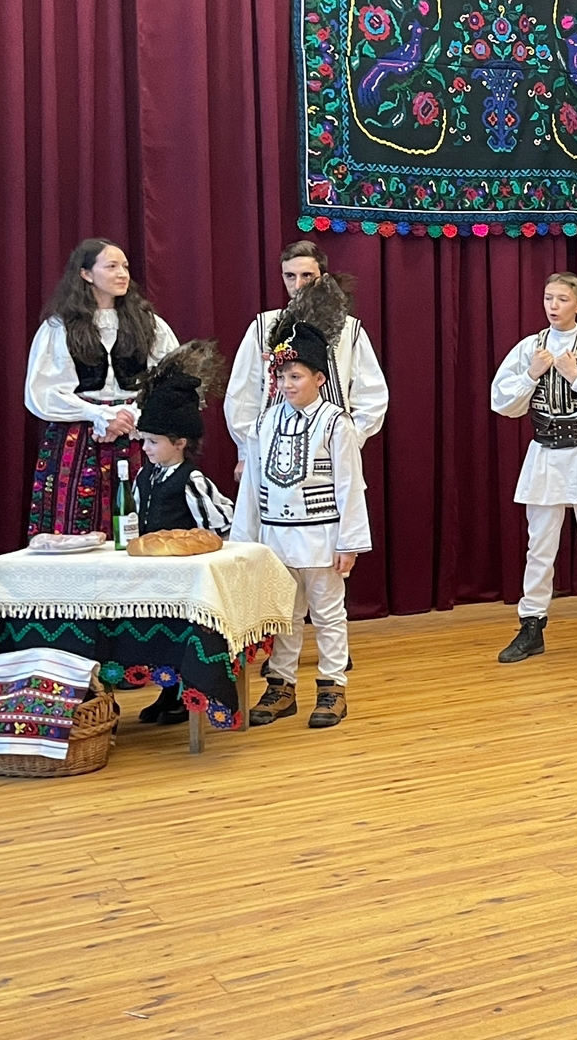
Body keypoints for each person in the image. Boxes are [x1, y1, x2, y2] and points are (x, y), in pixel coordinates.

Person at [235, 277, 371, 730]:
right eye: (281, 377)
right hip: (275, 539)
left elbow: (351, 485)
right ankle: (281, 686)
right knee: (285, 616)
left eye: (296, 376)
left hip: (322, 537)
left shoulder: (336, 424)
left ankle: (332, 688)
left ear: (319, 378)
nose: (287, 384)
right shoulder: (264, 423)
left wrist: (349, 542)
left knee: (328, 614)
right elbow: (251, 486)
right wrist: (244, 542)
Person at [491, 273, 577, 664]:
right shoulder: (530, 348)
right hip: (546, 453)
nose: (553, 306)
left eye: (562, 299)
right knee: (539, 548)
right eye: (548, 298)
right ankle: (531, 626)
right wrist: (532, 373)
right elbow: (502, 402)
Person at [24, 238, 178, 538]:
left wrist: (132, 414)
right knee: (76, 517)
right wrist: (98, 415)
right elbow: (42, 392)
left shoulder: (149, 324)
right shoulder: (60, 327)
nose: (122, 274)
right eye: (111, 266)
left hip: (137, 432)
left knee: (141, 515)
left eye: (125, 267)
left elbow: (171, 378)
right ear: (85, 274)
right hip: (79, 435)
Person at [130, 339, 238, 726]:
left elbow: (219, 524)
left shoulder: (191, 480)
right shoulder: (144, 477)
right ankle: (167, 691)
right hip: (153, 574)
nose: (145, 448)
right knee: (157, 633)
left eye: (153, 442)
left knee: (179, 633)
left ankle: (183, 692)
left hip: (183, 578)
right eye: (144, 440)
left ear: (179, 443)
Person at [225, 240, 389, 456]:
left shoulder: (348, 329)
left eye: (307, 275)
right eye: (290, 276)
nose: (298, 285)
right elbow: (243, 393)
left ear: (323, 277)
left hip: (331, 448)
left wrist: (349, 440)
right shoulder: (264, 327)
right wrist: (246, 450)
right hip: (272, 446)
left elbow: (371, 394)